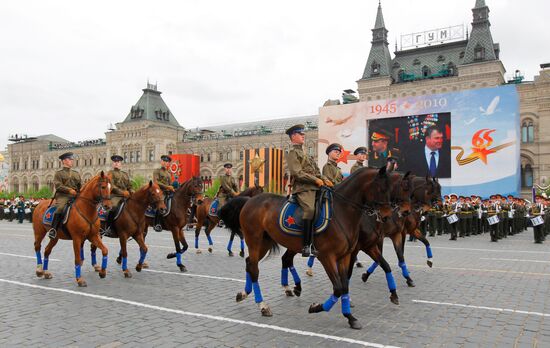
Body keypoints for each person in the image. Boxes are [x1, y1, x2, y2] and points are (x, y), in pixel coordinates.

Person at [286, 124, 331, 257]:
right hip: (303, 188)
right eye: (300, 134)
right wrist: (315, 180)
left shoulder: (306, 153)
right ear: (293, 136)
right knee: (309, 210)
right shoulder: (292, 153)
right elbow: (297, 173)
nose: (303, 136)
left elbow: (316, 171)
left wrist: (324, 179)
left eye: (303, 134)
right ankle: (306, 245)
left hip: (315, 186)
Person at [49, 152, 82, 239]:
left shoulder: (76, 173)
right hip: (63, 196)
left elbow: (80, 186)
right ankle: (53, 229)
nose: (72, 161)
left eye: (72, 159)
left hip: (75, 196)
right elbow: (58, 186)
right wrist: (69, 190)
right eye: (70, 159)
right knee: (60, 208)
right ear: (64, 161)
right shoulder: (59, 173)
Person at [103, 155, 133, 236]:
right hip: (115, 196)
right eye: (114, 162)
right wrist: (122, 192)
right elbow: (112, 186)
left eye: (118, 162)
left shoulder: (125, 174)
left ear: (121, 164)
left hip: (126, 196)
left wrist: (132, 192)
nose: (116, 163)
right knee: (113, 208)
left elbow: (129, 186)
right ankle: (108, 227)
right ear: (113, 164)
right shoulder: (110, 173)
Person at [152, 155, 175, 231]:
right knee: (160, 203)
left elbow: (170, 183)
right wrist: (167, 187)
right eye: (164, 161)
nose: (165, 163)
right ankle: (157, 223)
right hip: (159, 192)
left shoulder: (168, 173)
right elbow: (156, 182)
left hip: (167, 192)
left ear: (168, 164)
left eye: (167, 162)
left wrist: (172, 188)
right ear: (161, 162)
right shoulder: (157, 171)